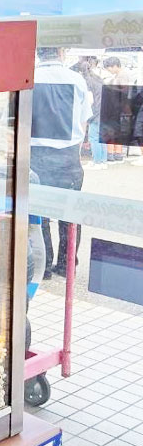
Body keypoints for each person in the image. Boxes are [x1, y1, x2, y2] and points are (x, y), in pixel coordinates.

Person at [31, 47, 93, 279]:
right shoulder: (76, 79)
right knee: (70, 215)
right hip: (69, 157)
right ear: (60, 52)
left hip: (35, 156)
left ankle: (44, 266)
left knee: (40, 214)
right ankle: (66, 266)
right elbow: (84, 121)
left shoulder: (30, 78)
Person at [72, 57, 106, 170]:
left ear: (80, 72)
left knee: (93, 137)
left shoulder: (87, 82)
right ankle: (103, 161)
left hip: (95, 112)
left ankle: (97, 162)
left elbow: (90, 101)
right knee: (102, 137)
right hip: (104, 109)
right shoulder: (98, 78)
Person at [103, 57, 135, 163]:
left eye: (109, 68)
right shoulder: (119, 74)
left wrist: (110, 88)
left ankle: (114, 154)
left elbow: (124, 90)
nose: (109, 71)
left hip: (120, 107)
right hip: (121, 107)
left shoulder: (122, 75)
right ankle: (116, 154)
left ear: (115, 66)